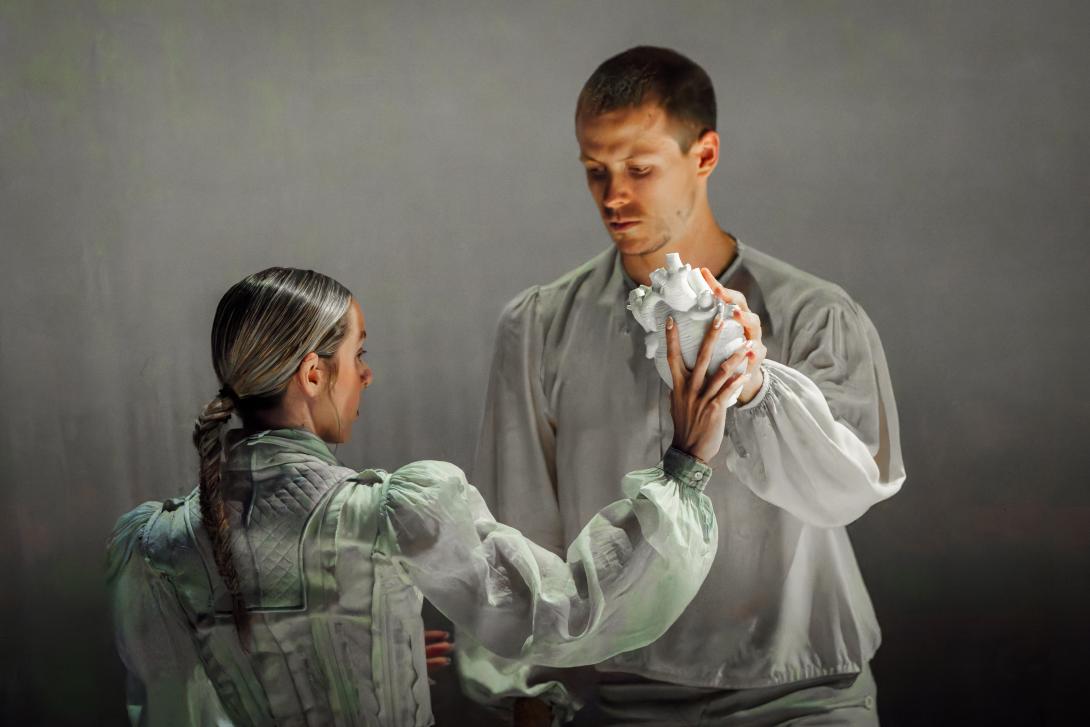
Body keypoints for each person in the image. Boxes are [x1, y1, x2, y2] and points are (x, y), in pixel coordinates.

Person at [457, 46, 906, 725]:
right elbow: (518, 523)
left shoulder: (814, 314)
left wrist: (753, 388)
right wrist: (523, 689)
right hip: (631, 694)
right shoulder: (540, 326)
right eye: (595, 171)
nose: (613, 196)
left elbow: (845, 490)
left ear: (705, 155)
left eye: (639, 169)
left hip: (804, 688)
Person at [105, 266, 746, 727]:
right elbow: (568, 611)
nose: (367, 374)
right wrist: (686, 465)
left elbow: (176, 708)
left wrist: (370, 650)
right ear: (313, 374)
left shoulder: (158, 544)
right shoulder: (384, 515)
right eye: (358, 353)